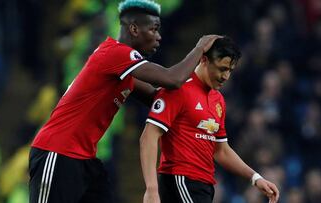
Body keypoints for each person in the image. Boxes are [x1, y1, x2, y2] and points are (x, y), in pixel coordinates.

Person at [29, 0, 220, 202]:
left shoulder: (122, 69)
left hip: (84, 159)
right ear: (135, 29)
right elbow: (173, 79)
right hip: (58, 152)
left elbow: (157, 98)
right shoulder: (116, 53)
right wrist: (200, 48)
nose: (159, 37)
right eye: (154, 30)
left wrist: (201, 101)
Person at [140, 37, 280, 203]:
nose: (226, 76)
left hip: (203, 185)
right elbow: (149, 136)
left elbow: (220, 150)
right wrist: (151, 189)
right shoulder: (178, 89)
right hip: (181, 180)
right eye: (222, 69)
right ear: (204, 60)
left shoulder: (218, 100)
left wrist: (255, 178)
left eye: (230, 70)